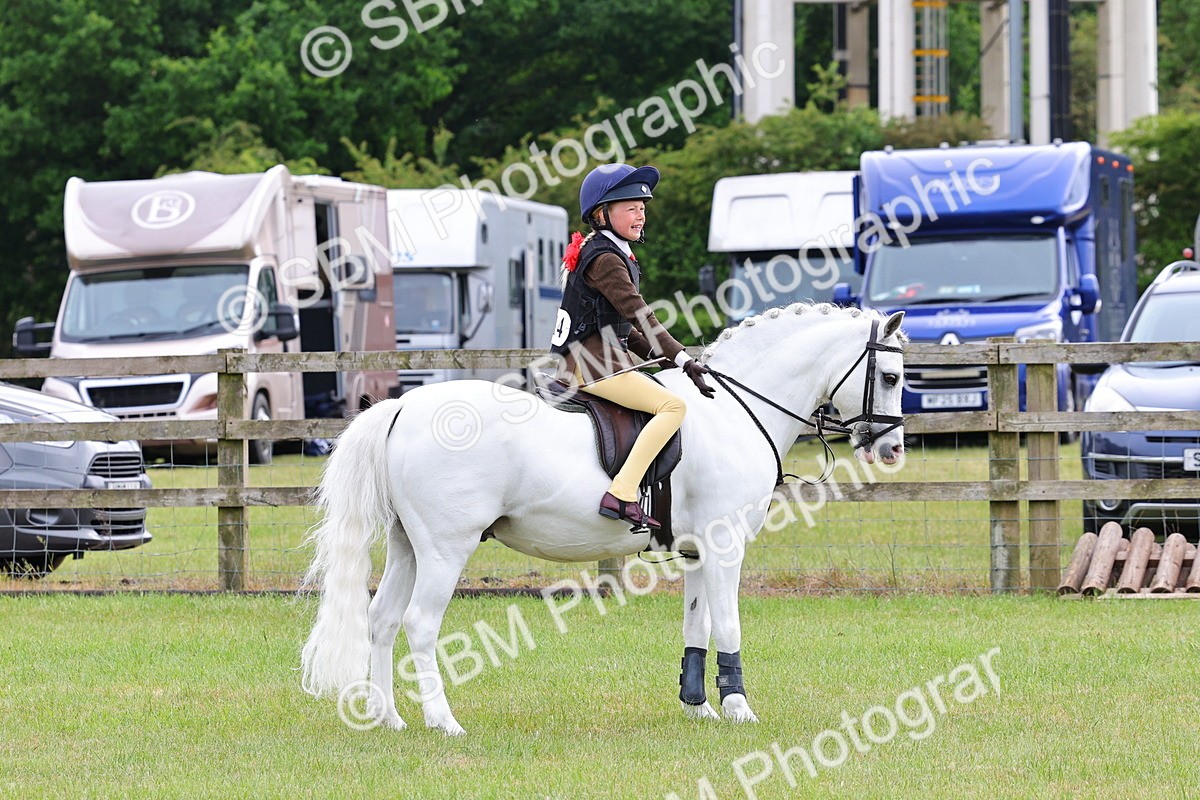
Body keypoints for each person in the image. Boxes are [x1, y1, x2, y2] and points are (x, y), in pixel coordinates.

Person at [550, 163, 715, 530]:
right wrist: (685, 358)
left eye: (643, 206)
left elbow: (623, 328)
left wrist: (667, 362)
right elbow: (640, 314)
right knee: (673, 407)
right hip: (592, 366)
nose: (641, 213)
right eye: (630, 207)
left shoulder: (607, 250)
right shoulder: (606, 258)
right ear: (601, 214)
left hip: (599, 357)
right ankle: (622, 493)